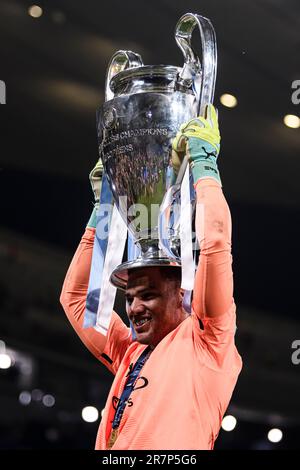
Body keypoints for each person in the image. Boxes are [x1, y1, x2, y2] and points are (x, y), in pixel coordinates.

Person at [60, 104, 242, 450]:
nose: (134, 308)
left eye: (149, 295)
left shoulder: (208, 343)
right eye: (129, 297)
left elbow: (216, 243)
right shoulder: (130, 352)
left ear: (182, 293)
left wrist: (204, 161)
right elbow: (77, 298)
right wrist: (103, 213)